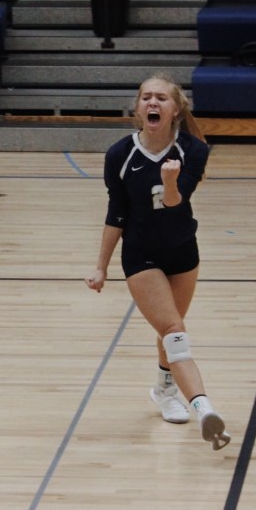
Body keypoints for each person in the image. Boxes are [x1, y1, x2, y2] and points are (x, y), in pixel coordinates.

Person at [85, 72, 231, 451]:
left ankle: (164, 390)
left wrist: (170, 180)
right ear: (138, 107)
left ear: (175, 109)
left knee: (170, 334)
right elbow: (117, 212)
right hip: (141, 254)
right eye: (146, 97)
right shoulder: (119, 154)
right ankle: (205, 409)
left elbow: (174, 201)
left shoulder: (194, 151)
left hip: (183, 251)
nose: (153, 103)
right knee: (175, 331)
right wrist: (101, 265)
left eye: (161, 98)